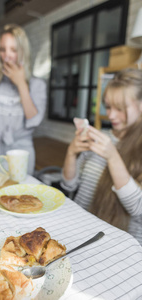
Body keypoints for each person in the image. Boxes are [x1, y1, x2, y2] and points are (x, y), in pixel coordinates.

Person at [61, 68, 142, 245]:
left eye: (120, 108)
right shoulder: (101, 137)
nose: (111, 115)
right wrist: (71, 152)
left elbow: (138, 209)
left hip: (120, 245)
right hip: (79, 232)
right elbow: (69, 184)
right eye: (108, 106)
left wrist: (112, 156)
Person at [0, 24, 47, 175]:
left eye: (13, 49)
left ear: (23, 51)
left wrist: (21, 83)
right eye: (2, 49)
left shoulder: (37, 84)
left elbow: (34, 120)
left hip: (21, 151)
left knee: (20, 196)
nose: (7, 55)